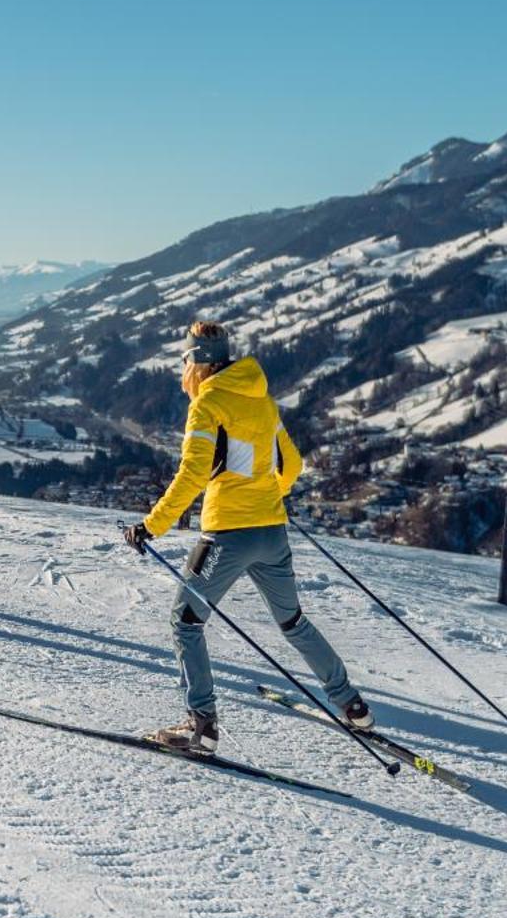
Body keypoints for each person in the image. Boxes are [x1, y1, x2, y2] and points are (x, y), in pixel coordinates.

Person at [122, 320, 371, 753]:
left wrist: (152, 526)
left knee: (185, 623)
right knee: (293, 621)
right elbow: (291, 467)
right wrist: (263, 496)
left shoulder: (207, 405)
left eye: (184, 360)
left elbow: (194, 473)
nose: (183, 369)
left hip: (226, 536)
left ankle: (201, 727)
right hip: (272, 532)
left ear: (198, 362)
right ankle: (352, 705)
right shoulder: (263, 401)